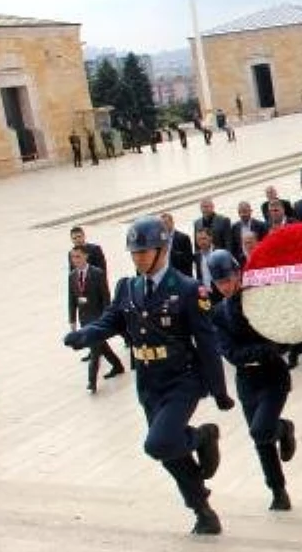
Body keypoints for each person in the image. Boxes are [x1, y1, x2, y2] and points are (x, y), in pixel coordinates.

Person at [62, 216, 234, 535]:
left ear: (163, 249)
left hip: (181, 378)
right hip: (148, 381)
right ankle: (203, 512)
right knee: (170, 454)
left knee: (159, 443)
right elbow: (112, 319)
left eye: (145, 251)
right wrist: (85, 334)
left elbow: (207, 343)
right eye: (135, 253)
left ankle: (204, 436)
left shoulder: (186, 289)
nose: (139, 257)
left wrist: (219, 390)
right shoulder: (128, 287)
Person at [207, 250, 298, 511]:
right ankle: (278, 491)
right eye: (219, 282)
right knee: (260, 439)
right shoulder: (218, 313)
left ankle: (282, 428)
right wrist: (260, 350)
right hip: (248, 382)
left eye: (227, 280)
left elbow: (280, 339)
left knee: (261, 429)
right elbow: (230, 353)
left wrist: (261, 351)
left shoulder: (260, 300)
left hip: (273, 378)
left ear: (238, 275)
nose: (224, 287)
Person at [68, 246, 125, 392]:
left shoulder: (97, 273)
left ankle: (91, 382)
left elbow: (106, 297)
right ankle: (117, 366)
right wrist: (72, 320)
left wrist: (106, 317)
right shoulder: (72, 275)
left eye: (78, 257)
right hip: (84, 318)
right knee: (101, 347)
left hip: (97, 317)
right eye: (73, 257)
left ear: (85, 256)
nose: (75, 260)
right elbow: (71, 299)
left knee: (95, 350)